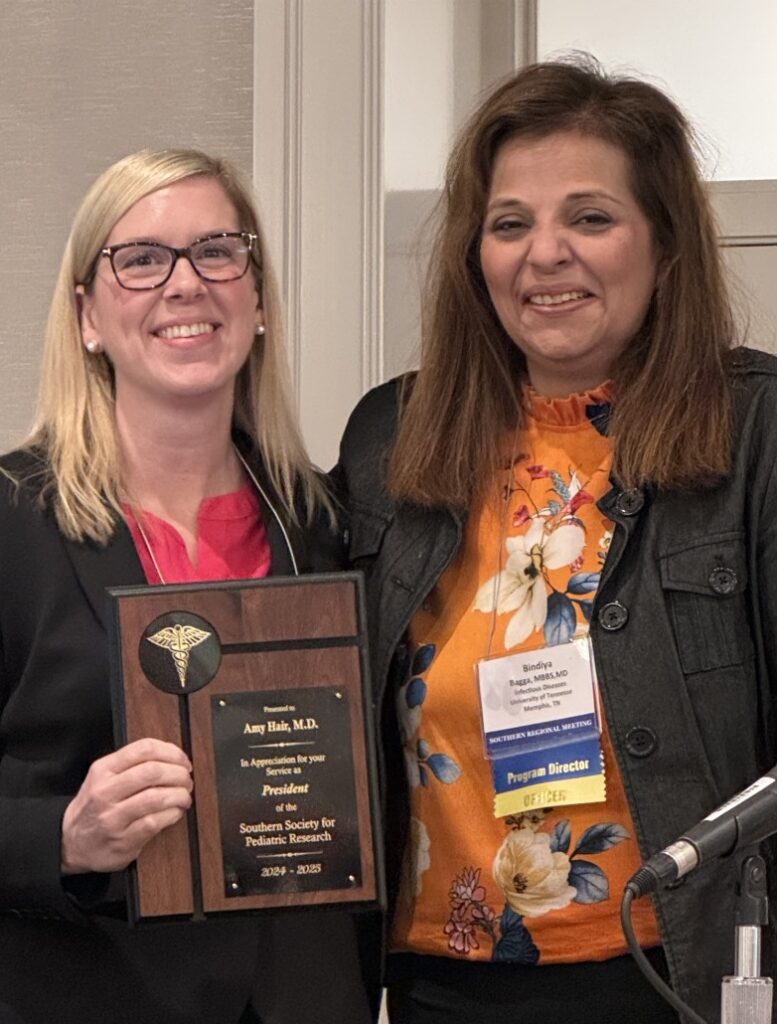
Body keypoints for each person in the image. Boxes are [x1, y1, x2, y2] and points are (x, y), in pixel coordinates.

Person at [334, 57, 777, 1024]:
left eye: (589, 217)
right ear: (475, 257)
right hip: (439, 978)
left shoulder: (756, 430)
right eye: (510, 224)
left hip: (672, 970)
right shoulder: (389, 437)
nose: (545, 253)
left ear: (661, 245)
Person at [0, 149, 376, 1024]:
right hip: (85, 996)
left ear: (257, 301)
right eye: (140, 259)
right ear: (87, 315)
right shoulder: (14, 520)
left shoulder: (326, 521)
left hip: (306, 1000)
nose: (185, 284)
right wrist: (63, 837)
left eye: (218, 251)